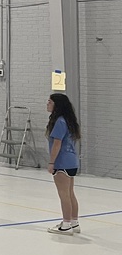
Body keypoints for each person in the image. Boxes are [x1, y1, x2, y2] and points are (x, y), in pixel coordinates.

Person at [45, 93, 81, 234]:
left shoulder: (60, 121)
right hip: (72, 161)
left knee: (63, 194)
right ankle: (74, 222)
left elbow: (56, 144)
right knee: (70, 193)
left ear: (57, 105)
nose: (47, 103)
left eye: (50, 101)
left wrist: (51, 162)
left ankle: (66, 224)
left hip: (62, 162)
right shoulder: (68, 120)